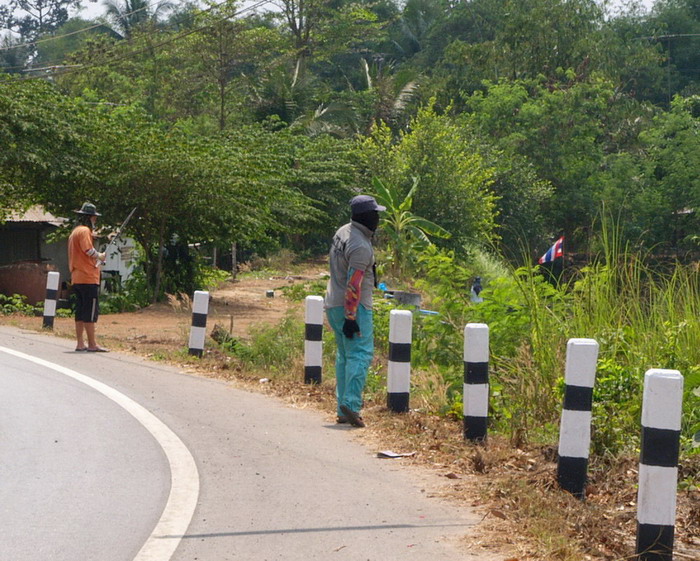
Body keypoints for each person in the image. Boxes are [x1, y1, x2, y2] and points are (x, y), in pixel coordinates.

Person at [325, 194, 385, 427]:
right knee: (360, 354)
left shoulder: (343, 232)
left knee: (344, 356)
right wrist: (352, 317)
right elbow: (354, 284)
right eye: (376, 214)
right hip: (353, 307)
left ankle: (342, 407)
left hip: (332, 303)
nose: (378, 219)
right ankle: (351, 404)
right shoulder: (360, 245)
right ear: (366, 217)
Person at [68, 202, 108, 352]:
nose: (95, 220)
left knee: (80, 311)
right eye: (94, 217)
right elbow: (88, 250)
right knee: (90, 312)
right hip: (87, 277)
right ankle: (92, 344)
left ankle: (80, 343)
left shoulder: (74, 232)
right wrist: (101, 256)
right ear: (90, 218)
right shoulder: (85, 231)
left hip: (77, 277)